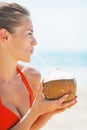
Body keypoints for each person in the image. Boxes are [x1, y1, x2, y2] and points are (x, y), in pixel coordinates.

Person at [0, 2, 77, 130]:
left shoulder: (32, 77)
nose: (35, 42)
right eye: (29, 33)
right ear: (5, 36)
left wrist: (48, 112)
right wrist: (35, 112)